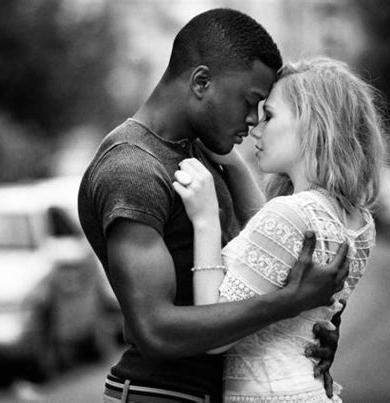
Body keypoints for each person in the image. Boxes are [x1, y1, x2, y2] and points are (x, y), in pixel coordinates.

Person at [78, 9, 349, 403]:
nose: (254, 120)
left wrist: (306, 331)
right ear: (202, 82)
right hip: (159, 394)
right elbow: (155, 329)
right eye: (250, 101)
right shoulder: (132, 168)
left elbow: (258, 267)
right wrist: (290, 303)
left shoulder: (202, 154)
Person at [173, 57, 388, 402]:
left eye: (269, 116)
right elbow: (273, 264)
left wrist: (205, 221)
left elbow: (214, 335)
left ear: (314, 123)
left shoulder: (289, 214)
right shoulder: (360, 223)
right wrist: (225, 153)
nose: (256, 128)